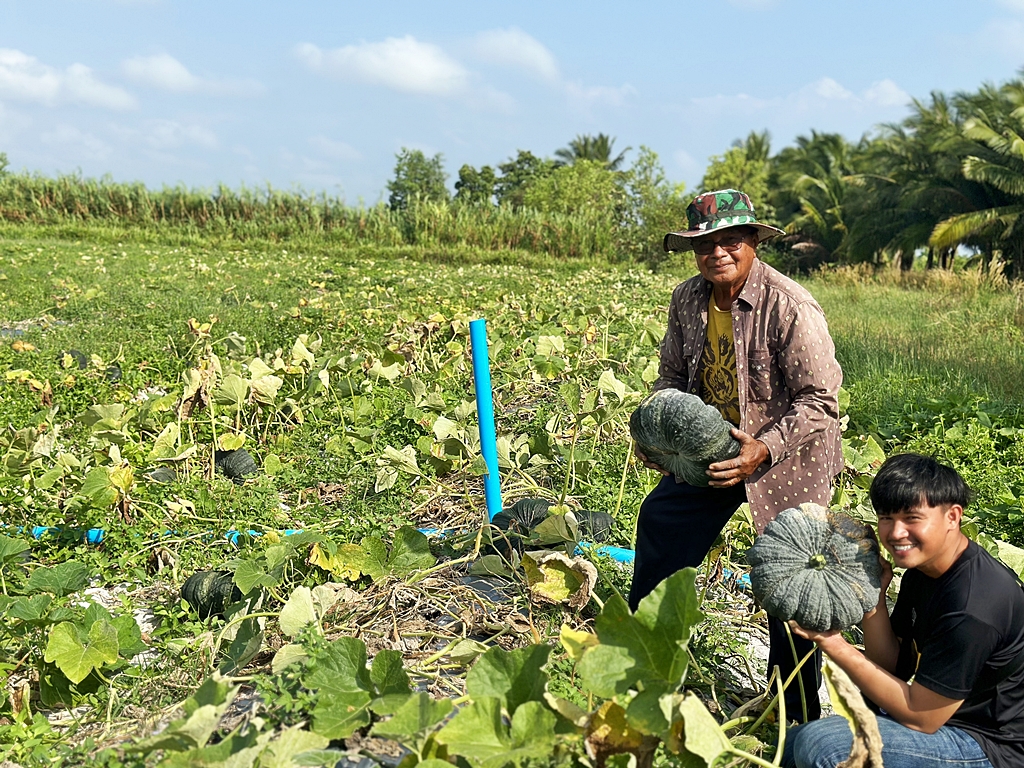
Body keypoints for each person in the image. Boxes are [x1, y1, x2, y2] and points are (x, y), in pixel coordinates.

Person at [629, 188, 843, 721]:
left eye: (730, 241)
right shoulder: (687, 299)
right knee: (661, 520)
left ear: (752, 244)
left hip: (789, 457)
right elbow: (673, 380)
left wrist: (764, 448)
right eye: (706, 244)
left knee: (788, 576)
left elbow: (821, 401)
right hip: (713, 447)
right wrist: (657, 435)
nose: (717, 253)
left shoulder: (789, 304)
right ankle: (645, 663)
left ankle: (793, 712)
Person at [785, 454, 1024, 768]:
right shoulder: (923, 570)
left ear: (953, 517)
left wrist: (834, 644)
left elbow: (922, 717)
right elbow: (894, 667)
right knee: (790, 744)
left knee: (823, 747)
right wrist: (873, 597)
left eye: (912, 518)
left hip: (989, 746)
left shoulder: (973, 606)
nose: (896, 533)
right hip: (945, 718)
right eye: (886, 517)